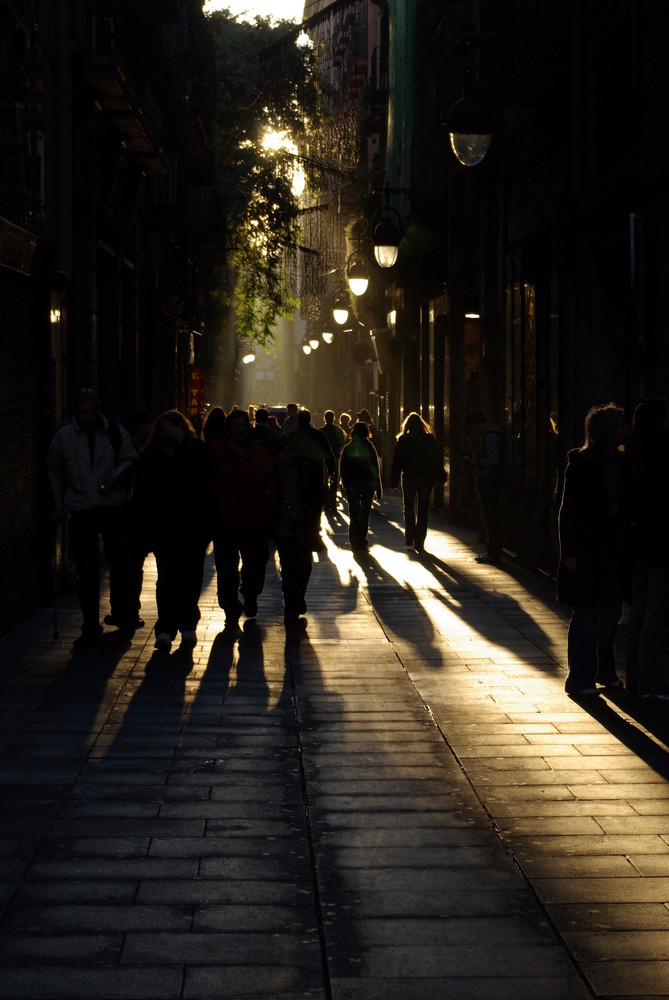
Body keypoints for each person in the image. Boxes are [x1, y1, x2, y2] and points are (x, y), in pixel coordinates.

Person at [45, 387, 138, 647]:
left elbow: (131, 458)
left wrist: (117, 477)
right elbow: (53, 469)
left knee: (120, 564)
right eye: (82, 412)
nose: (87, 417)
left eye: (91, 412)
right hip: (82, 508)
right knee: (86, 571)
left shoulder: (114, 432)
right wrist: (56, 505)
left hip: (113, 506)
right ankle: (90, 625)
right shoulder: (64, 437)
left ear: (98, 411)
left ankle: (122, 613)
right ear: (76, 412)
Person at [557, 402, 630, 696]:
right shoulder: (582, 464)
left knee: (611, 613)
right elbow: (568, 511)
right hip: (588, 550)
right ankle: (579, 678)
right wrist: (569, 552)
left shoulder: (623, 462)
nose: (627, 429)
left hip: (613, 549)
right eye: (622, 425)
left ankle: (604, 670)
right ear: (608, 430)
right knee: (586, 614)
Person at [133, 410, 216, 652]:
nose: (167, 435)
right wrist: (144, 530)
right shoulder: (150, 458)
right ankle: (166, 628)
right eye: (164, 430)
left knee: (191, 578)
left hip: (193, 528)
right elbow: (142, 496)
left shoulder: (192, 452)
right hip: (163, 529)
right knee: (167, 579)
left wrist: (185, 441)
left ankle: (188, 624)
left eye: (173, 429)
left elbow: (209, 464)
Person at [211, 409, 276, 626]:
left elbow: (272, 483)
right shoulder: (216, 453)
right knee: (226, 568)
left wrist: (268, 509)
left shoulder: (259, 453)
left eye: (243, 425)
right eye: (236, 426)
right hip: (224, 522)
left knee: (256, 565)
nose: (240, 430)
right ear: (229, 430)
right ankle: (230, 605)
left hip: (255, 522)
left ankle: (250, 595)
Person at [625, 398, 669, 700]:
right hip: (659, 545)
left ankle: (635, 681)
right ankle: (650, 684)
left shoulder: (630, 455)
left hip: (636, 544)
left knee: (639, 613)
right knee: (655, 615)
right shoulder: (662, 454)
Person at [104, 406, 153, 631]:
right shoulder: (126, 448)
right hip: (124, 511)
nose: (150, 429)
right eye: (147, 425)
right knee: (125, 566)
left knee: (129, 566)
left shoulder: (144, 449)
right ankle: (124, 610)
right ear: (140, 426)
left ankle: (128, 610)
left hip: (136, 514)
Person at [271, 436, 314, 624]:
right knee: (288, 568)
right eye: (283, 451)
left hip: (303, 526)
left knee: (304, 566)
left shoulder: (304, 470)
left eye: (290, 450)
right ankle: (291, 605)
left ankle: (297, 598)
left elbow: (315, 495)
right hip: (282, 527)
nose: (287, 455)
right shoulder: (272, 473)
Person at [390, 411, 442, 553]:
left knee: (408, 507)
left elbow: (397, 462)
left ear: (407, 425)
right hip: (426, 478)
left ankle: (409, 535)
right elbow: (437, 458)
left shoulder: (403, 440)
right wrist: (439, 475)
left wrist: (393, 482)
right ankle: (419, 541)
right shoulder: (429, 439)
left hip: (409, 477)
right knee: (423, 509)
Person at [288, 409, 336, 551]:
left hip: (298, 475)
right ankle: (314, 530)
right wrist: (331, 470)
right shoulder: (318, 435)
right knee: (316, 505)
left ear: (298, 420)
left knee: (300, 503)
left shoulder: (293, 436)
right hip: (315, 475)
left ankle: (303, 531)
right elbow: (328, 454)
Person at [463, 410, 504, 564]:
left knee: (490, 516)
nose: (472, 432)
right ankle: (493, 551)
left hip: (489, 479)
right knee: (491, 516)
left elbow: (494, 459)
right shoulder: (495, 432)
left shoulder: (490, 436)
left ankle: (493, 552)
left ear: (477, 424)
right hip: (492, 479)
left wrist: (478, 461)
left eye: (472, 428)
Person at [340, 420, 382, 551]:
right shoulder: (370, 447)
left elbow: (343, 468)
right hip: (367, 484)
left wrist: (344, 484)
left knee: (354, 513)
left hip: (352, 484)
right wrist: (378, 488)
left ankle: (353, 539)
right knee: (364, 513)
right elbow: (375, 469)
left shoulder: (348, 448)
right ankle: (361, 539)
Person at [321, 409, 346, 510]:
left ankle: (327, 502)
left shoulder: (321, 430)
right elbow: (342, 442)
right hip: (334, 457)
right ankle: (332, 502)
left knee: (326, 481)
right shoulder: (338, 430)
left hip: (325, 459)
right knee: (334, 481)